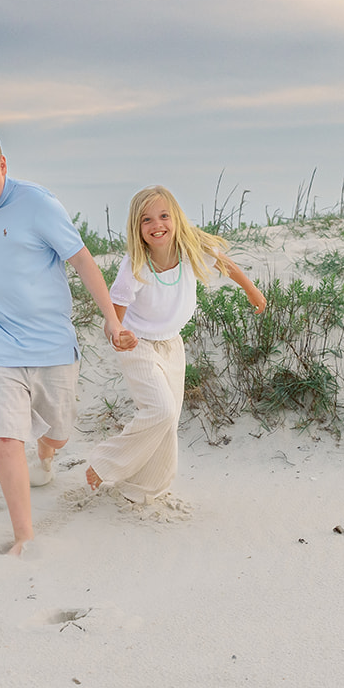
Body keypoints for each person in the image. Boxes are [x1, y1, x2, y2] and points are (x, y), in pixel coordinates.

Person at [0, 125, 128, 556]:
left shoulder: (39, 204)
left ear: (3, 165)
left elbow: (82, 260)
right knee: (7, 438)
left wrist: (111, 319)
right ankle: (24, 537)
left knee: (58, 433)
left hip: (50, 343)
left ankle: (48, 453)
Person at [86, 184, 266, 502]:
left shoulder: (191, 249)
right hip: (138, 346)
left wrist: (252, 291)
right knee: (161, 409)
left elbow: (228, 266)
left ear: (176, 218)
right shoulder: (134, 267)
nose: (157, 225)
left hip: (172, 345)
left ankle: (143, 487)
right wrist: (118, 336)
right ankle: (103, 463)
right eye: (147, 220)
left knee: (169, 421)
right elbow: (112, 321)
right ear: (136, 228)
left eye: (164, 216)